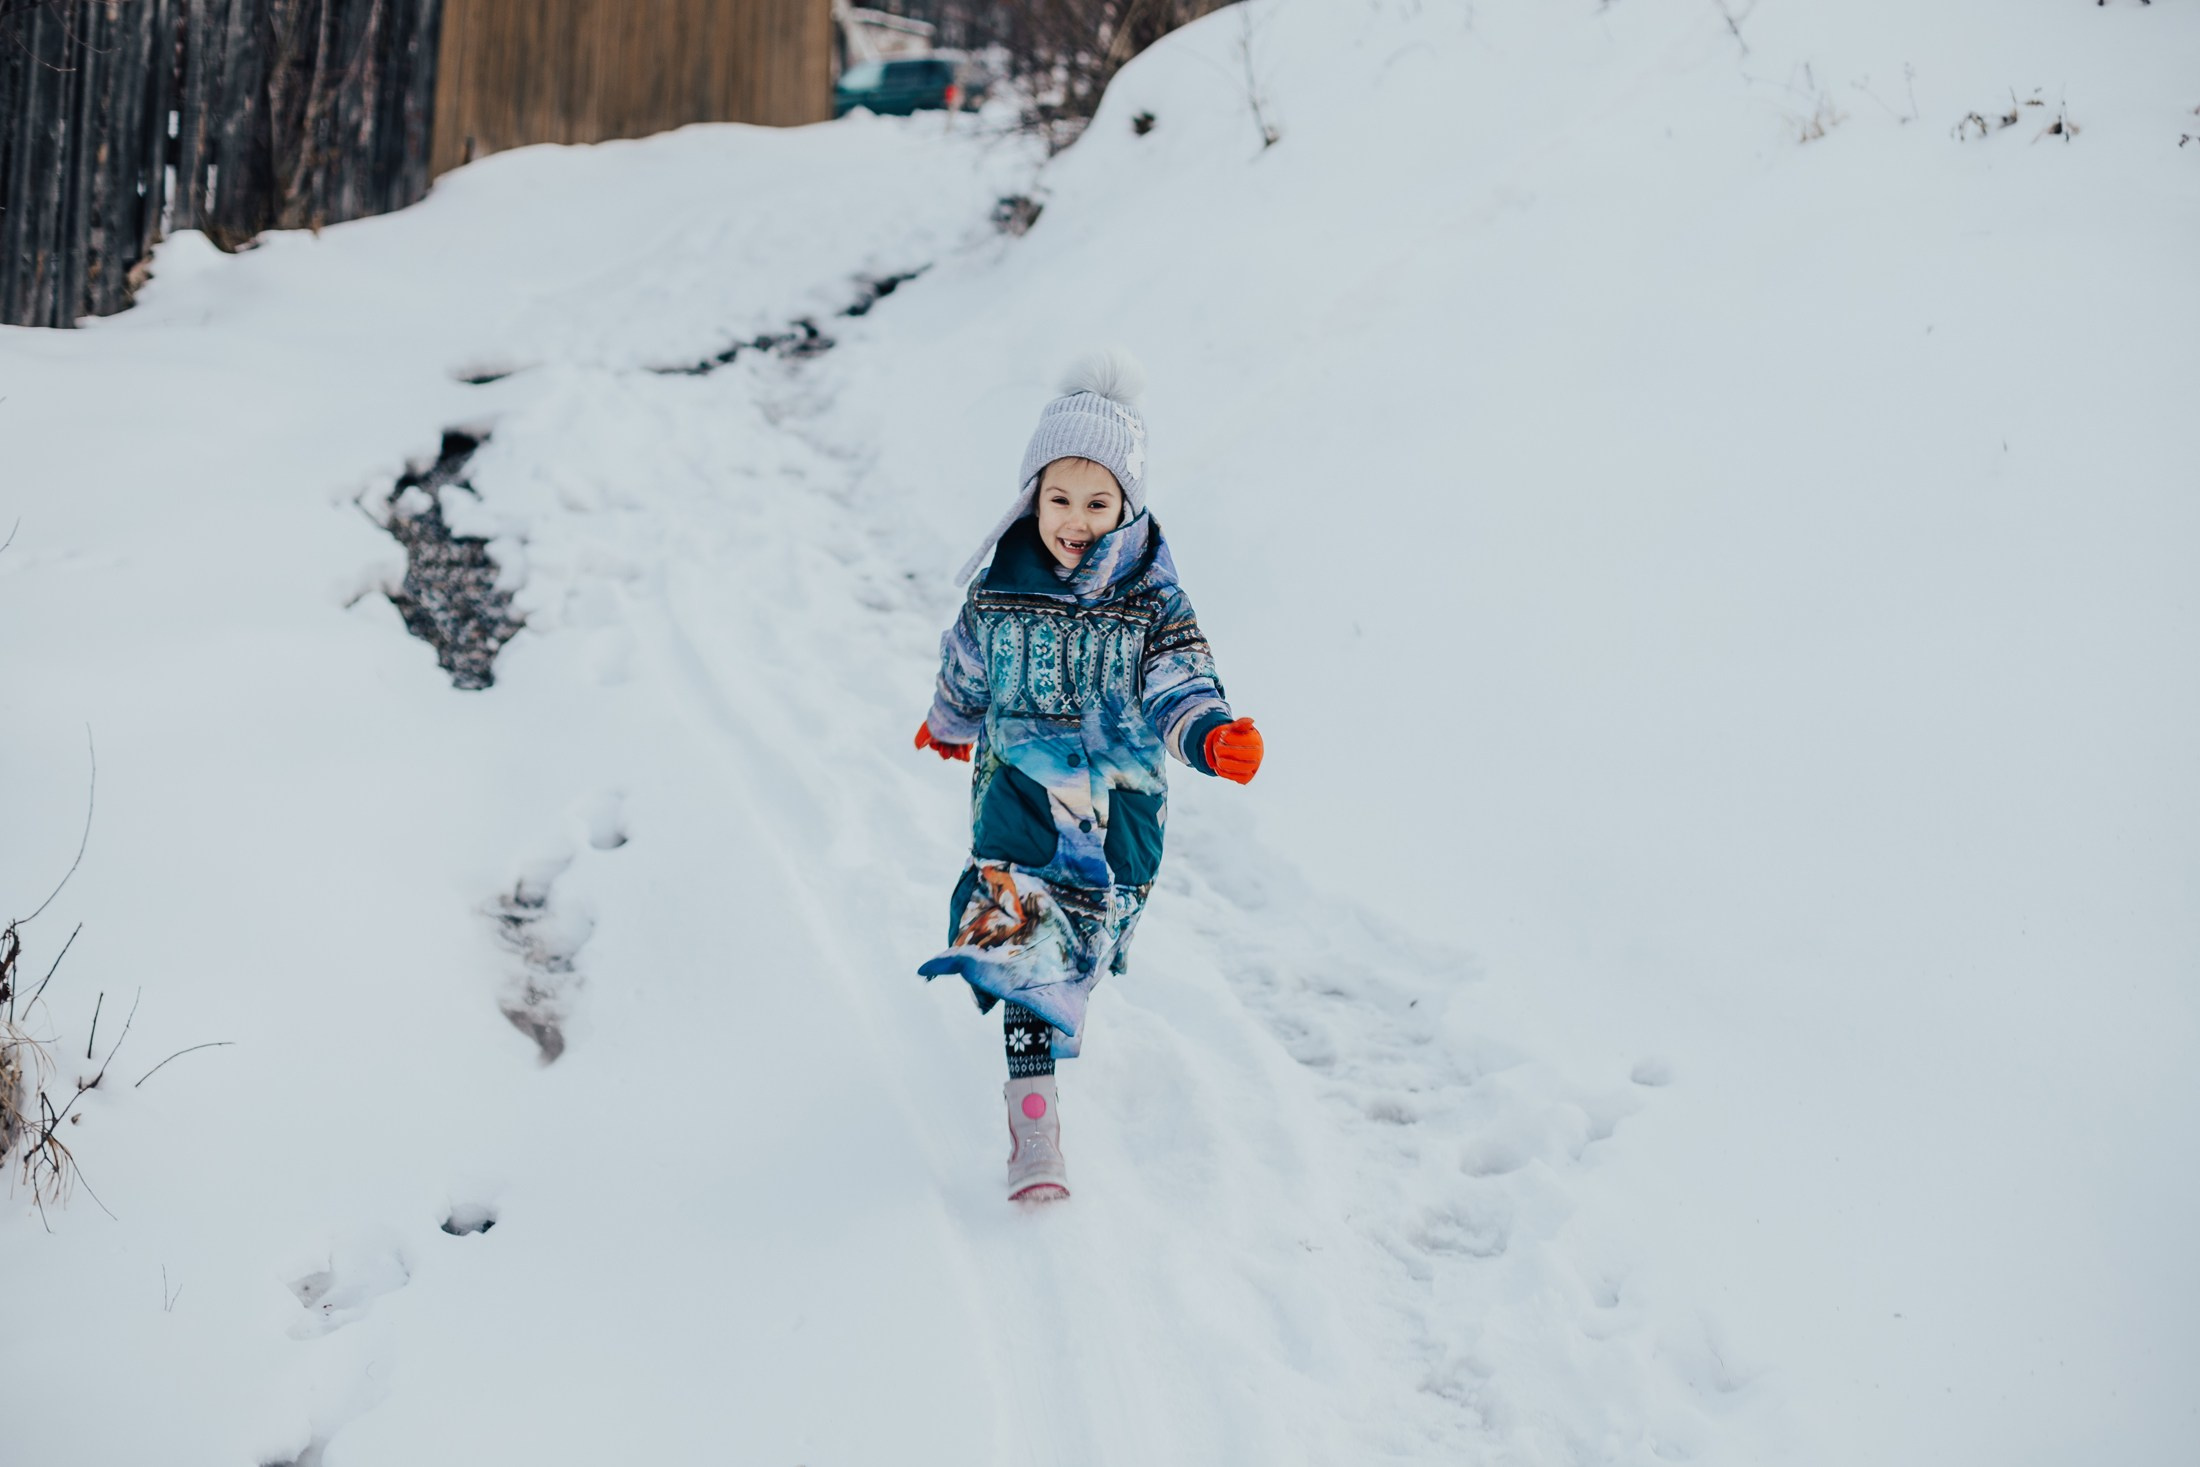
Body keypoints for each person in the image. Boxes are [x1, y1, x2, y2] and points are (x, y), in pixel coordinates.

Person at [913, 349, 1264, 1202]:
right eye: (1058, 497)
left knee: (1084, 949)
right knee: (1027, 948)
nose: (1074, 518)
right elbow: (968, 665)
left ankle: (1062, 1006)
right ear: (1031, 494)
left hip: (1116, 818)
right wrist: (952, 722)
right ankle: (1034, 1127)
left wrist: (1210, 734)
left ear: (1128, 504)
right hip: (1021, 804)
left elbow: (1178, 678)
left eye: (1097, 501)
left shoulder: (1151, 600)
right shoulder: (997, 590)